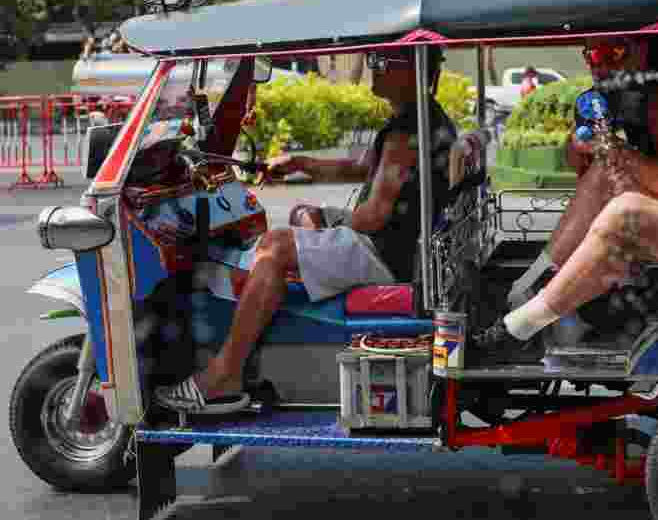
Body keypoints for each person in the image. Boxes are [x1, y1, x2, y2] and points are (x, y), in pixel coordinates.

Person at [155, 45, 455, 413]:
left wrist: (325, 221)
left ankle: (225, 372)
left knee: (275, 248)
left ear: (411, 70)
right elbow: (359, 169)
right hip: (401, 243)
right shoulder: (419, 121)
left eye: (381, 61)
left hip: (387, 253)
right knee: (297, 216)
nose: (373, 67)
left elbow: (374, 217)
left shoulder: (407, 135)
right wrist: (299, 164)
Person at [476, 34, 658, 360]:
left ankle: (527, 297)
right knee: (602, 177)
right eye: (590, 54)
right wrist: (578, 148)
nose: (599, 64)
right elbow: (579, 166)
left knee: (607, 177)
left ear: (641, 50)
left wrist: (613, 150)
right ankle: (532, 291)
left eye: (612, 52)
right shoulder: (608, 97)